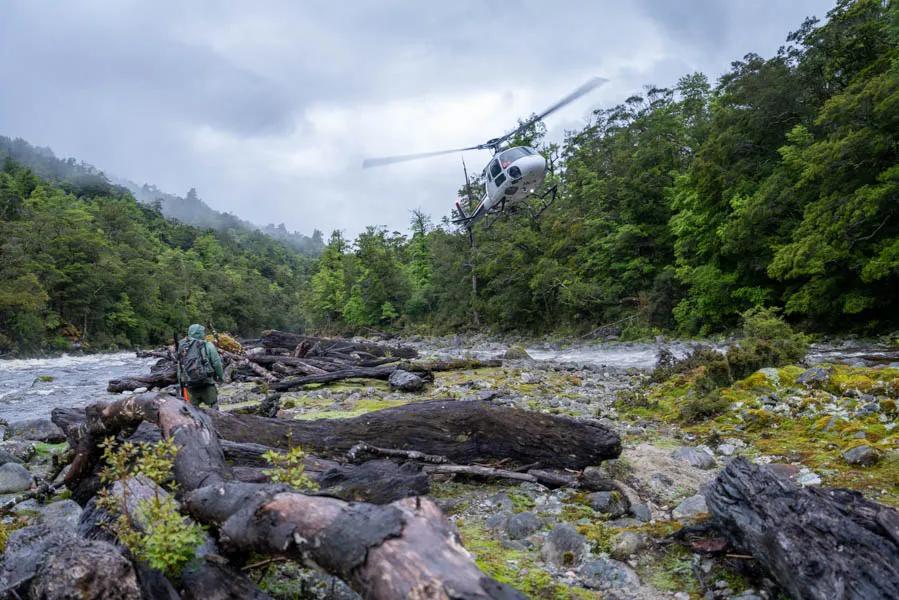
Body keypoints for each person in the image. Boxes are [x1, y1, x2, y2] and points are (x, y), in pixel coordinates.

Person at [176, 323, 224, 408]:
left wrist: (182, 384)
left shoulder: (182, 347)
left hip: (190, 385)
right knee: (214, 407)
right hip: (207, 382)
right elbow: (217, 363)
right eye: (203, 332)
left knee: (193, 412)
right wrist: (221, 377)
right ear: (199, 334)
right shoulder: (208, 345)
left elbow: (179, 367)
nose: (204, 334)